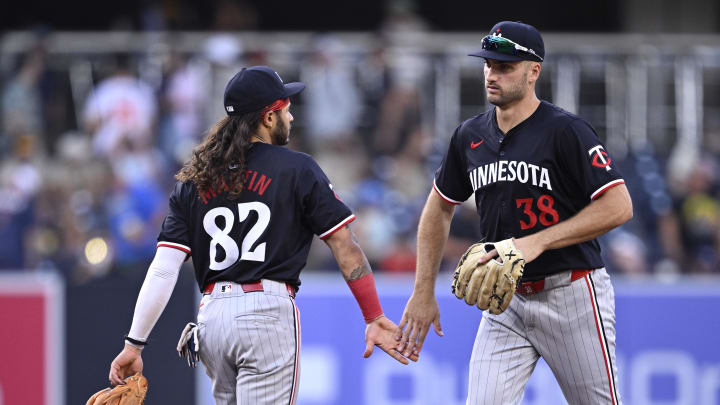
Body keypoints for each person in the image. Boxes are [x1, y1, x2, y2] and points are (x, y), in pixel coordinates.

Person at [105, 66, 416, 404]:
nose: (292, 117)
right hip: (266, 312)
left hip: (211, 317)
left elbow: (164, 268)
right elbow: (345, 246)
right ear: (268, 118)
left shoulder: (195, 180)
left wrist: (134, 343)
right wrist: (372, 315)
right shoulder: (296, 168)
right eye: (286, 109)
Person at [396, 21, 633, 405]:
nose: (492, 74)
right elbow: (439, 207)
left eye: (505, 67)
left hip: (570, 293)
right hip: (504, 300)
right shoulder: (469, 135)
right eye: (488, 64)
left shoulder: (566, 130)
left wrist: (535, 242)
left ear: (533, 71)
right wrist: (423, 292)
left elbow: (619, 205)